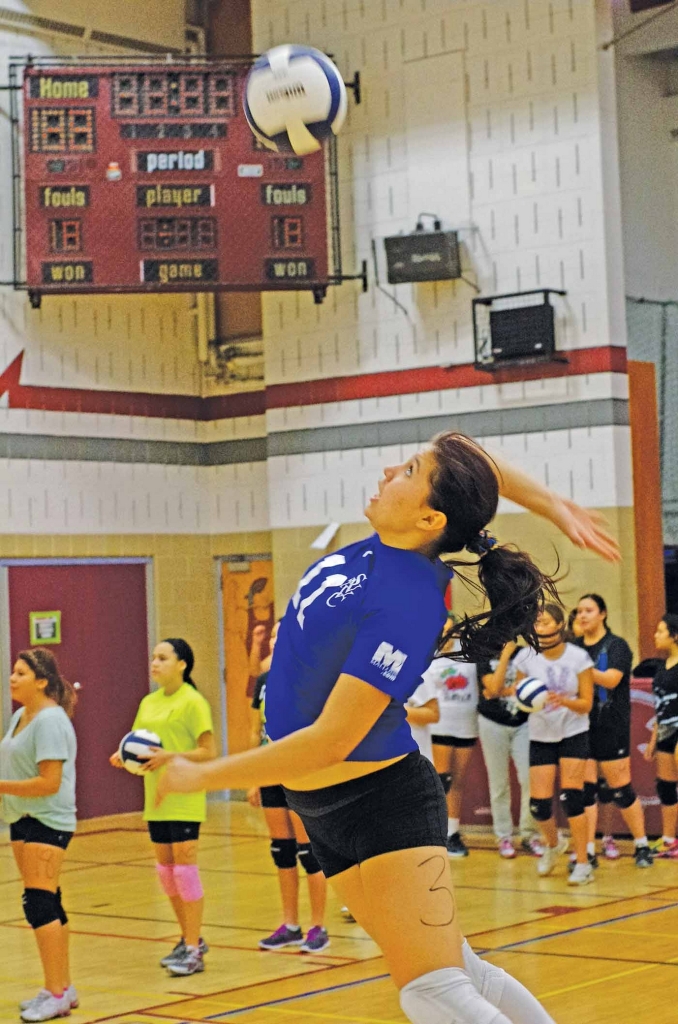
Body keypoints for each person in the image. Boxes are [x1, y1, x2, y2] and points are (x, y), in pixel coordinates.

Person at [157, 431, 618, 1024]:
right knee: (456, 972)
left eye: (408, 470)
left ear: (430, 518)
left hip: (380, 803)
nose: (386, 471)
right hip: (321, 808)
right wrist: (551, 503)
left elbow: (333, 739)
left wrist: (202, 775)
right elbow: (476, 466)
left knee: (432, 990)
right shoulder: (380, 553)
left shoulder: (409, 598)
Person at [109, 638, 216, 976]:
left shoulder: (193, 701)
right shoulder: (148, 702)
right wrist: (124, 756)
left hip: (184, 796)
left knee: (185, 871)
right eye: (153, 657)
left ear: (182, 664)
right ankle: (188, 938)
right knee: (167, 873)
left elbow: (208, 752)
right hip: (155, 798)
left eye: (163, 658)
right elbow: (139, 744)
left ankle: (194, 949)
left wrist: (172, 756)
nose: (155, 663)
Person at [0, 648, 78, 1023]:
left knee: (39, 903)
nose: (12, 678)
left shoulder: (49, 720)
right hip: (21, 817)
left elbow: (49, 783)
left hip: (47, 819)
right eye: (13, 672)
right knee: (47, 900)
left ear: (42, 681)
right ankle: (63, 986)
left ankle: (56, 994)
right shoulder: (21, 715)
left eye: (21, 673)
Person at [248, 621, 330, 953]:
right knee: (281, 850)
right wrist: (253, 776)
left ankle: (318, 927)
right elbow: (255, 731)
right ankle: (290, 925)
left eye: (282, 635)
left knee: (309, 852)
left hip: (301, 773)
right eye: (272, 636)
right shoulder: (264, 681)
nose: (274, 641)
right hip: (270, 772)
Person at [514, 604, 594, 884]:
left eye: (546, 622)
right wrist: (528, 701)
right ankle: (553, 844)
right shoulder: (525, 657)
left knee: (572, 799)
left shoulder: (578, 658)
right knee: (539, 806)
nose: (540, 627)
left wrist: (564, 701)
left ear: (560, 625)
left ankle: (583, 863)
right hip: (541, 734)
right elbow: (520, 697)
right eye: (536, 623)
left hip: (573, 731)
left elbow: (586, 704)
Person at [575, 594, 652, 868]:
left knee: (620, 789)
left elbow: (611, 679)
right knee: (585, 791)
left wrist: (579, 668)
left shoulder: (616, 646)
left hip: (611, 726)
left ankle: (641, 845)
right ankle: (587, 851)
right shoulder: (574, 648)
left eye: (588, 610)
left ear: (603, 614)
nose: (582, 615)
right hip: (581, 726)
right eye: (579, 611)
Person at [477, 642, 542, 859]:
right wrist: (504, 655)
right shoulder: (484, 652)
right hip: (492, 723)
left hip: (523, 723)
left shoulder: (527, 653)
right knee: (499, 783)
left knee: (530, 779)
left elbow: (526, 690)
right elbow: (493, 688)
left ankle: (529, 835)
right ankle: (504, 836)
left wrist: (497, 691)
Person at [427, 621, 479, 857]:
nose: (445, 634)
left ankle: (452, 833)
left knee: (457, 781)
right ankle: (435, 833)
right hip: (439, 724)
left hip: (466, 724)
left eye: (450, 630)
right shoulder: (427, 653)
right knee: (441, 781)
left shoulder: (468, 652)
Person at [644, 614, 678, 857]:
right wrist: (653, 740)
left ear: (675, 636)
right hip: (665, 731)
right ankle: (668, 840)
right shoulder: (661, 667)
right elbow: (660, 707)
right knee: (666, 787)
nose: (656, 635)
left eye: (661, 631)